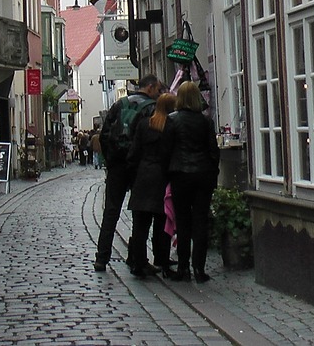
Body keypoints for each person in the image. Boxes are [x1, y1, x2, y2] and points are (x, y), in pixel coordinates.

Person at [93, 74, 161, 272]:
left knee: (111, 212)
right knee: (140, 214)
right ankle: (136, 259)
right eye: (157, 89)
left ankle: (101, 257)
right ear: (149, 88)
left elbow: (104, 134)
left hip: (116, 166)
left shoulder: (119, 104)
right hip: (138, 167)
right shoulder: (150, 107)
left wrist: (111, 160)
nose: (158, 93)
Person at [161, 80, 221, 283]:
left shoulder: (172, 120)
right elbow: (213, 151)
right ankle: (199, 269)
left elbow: (166, 150)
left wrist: (167, 174)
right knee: (200, 222)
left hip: (180, 175)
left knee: (183, 223)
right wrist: (213, 174)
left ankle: (183, 268)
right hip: (202, 175)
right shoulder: (206, 122)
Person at [128, 92, 177, 278]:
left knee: (140, 225)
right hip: (161, 178)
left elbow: (134, 153)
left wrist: (133, 178)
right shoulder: (171, 127)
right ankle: (162, 260)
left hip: (143, 177)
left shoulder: (144, 124)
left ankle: (139, 263)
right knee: (161, 224)